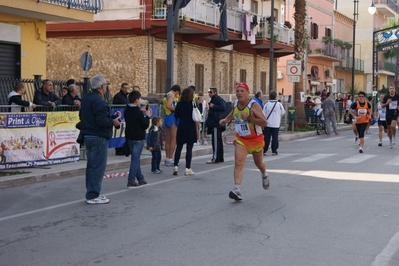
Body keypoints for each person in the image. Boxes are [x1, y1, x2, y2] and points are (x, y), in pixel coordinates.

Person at [219, 82, 268, 201]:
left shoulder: (254, 105)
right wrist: (226, 120)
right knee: (238, 162)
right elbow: (233, 113)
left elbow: (264, 123)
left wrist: (249, 118)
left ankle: (264, 174)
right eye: (237, 91)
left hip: (256, 140)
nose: (239, 93)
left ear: (247, 93)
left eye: (242, 91)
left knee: (259, 163)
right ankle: (237, 189)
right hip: (241, 140)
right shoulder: (235, 104)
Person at [79, 74, 122, 204]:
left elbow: (86, 115)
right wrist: (113, 122)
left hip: (88, 136)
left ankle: (91, 193)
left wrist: (112, 116)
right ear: (102, 87)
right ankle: (93, 195)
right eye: (105, 86)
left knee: (91, 166)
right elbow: (101, 120)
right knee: (98, 167)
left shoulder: (87, 99)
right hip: (98, 136)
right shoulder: (99, 101)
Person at [124, 90, 152, 188]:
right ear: (136, 100)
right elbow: (144, 125)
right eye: (139, 99)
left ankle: (140, 178)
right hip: (138, 138)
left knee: (136, 159)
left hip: (129, 136)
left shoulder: (127, 110)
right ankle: (131, 180)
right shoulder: (138, 112)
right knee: (135, 159)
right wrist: (147, 116)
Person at [172, 87, 197, 176]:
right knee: (189, 149)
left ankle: (175, 166)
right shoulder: (192, 104)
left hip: (182, 126)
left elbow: (176, 115)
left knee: (179, 147)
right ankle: (187, 168)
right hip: (190, 126)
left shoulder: (179, 104)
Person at [205, 87, 226, 164]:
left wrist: (213, 106)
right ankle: (220, 157)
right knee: (218, 140)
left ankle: (216, 158)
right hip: (215, 122)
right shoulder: (214, 99)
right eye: (208, 92)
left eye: (210, 92)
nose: (209, 93)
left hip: (216, 123)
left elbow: (223, 107)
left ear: (215, 92)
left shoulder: (217, 99)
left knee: (216, 141)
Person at [263, 90, 285, 155]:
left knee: (266, 138)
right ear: (276, 96)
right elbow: (283, 112)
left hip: (268, 124)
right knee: (275, 137)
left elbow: (263, 114)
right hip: (276, 124)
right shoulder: (279, 105)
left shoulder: (266, 104)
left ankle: (264, 150)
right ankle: (274, 151)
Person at [163, 85, 181, 166]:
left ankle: (167, 158)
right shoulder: (171, 95)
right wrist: (177, 109)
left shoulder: (166, 94)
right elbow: (168, 105)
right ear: (177, 91)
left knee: (168, 138)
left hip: (167, 116)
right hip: (172, 116)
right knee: (173, 138)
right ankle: (170, 158)